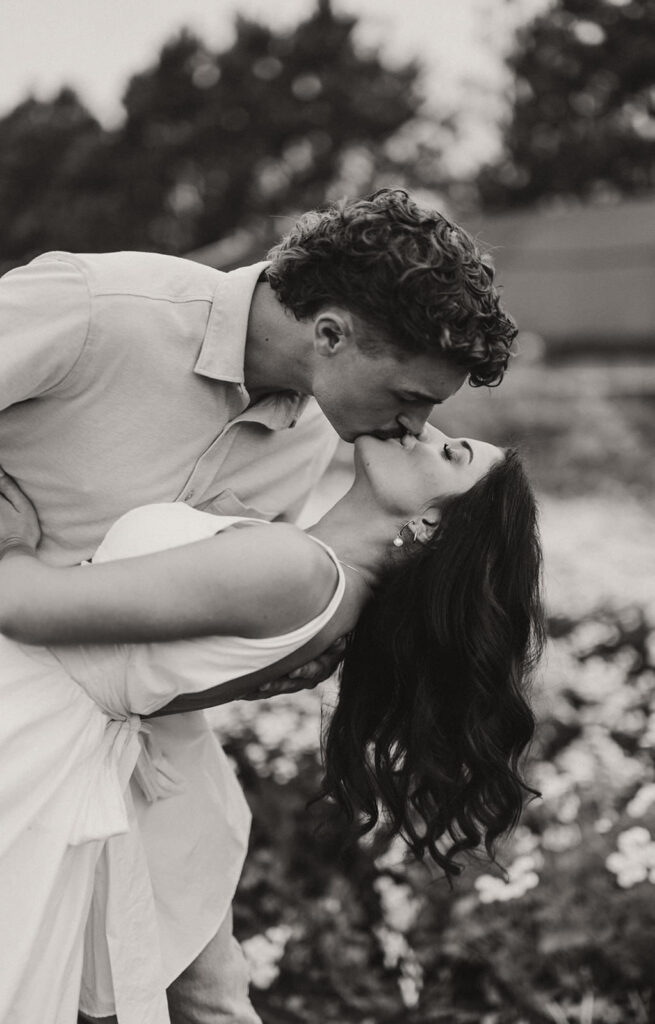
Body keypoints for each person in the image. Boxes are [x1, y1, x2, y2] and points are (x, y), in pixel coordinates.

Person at [0, 188, 518, 1021]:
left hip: (116, 749)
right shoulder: (103, 311)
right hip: (26, 728)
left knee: (189, 987)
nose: (415, 425)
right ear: (329, 334)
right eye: (410, 396)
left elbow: (187, 635)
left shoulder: (318, 440)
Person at [0, 423, 545, 1024]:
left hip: (28, 715)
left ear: (431, 525)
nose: (423, 429)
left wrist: (14, 536)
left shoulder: (298, 572)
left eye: (451, 454)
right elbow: (136, 680)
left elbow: (22, 606)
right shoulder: (314, 576)